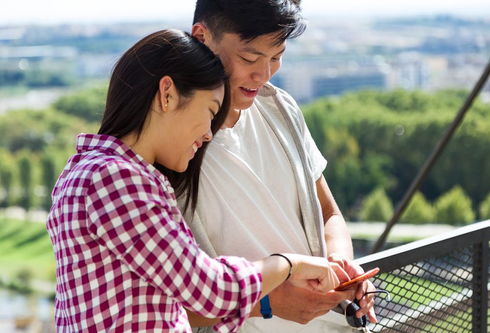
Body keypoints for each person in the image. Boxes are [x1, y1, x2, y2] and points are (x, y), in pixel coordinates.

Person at [45, 29, 350, 333]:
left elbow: (170, 307)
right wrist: (287, 265)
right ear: (168, 94)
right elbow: (210, 292)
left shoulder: (92, 172)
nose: (207, 134)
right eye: (209, 112)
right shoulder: (113, 178)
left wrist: (270, 303)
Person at [174, 1, 378, 332]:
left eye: (277, 57)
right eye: (250, 58)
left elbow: (330, 214)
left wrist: (342, 267)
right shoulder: (167, 141)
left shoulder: (280, 108)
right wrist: (267, 304)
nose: (264, 74)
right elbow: (157, 303)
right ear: (201, 37)